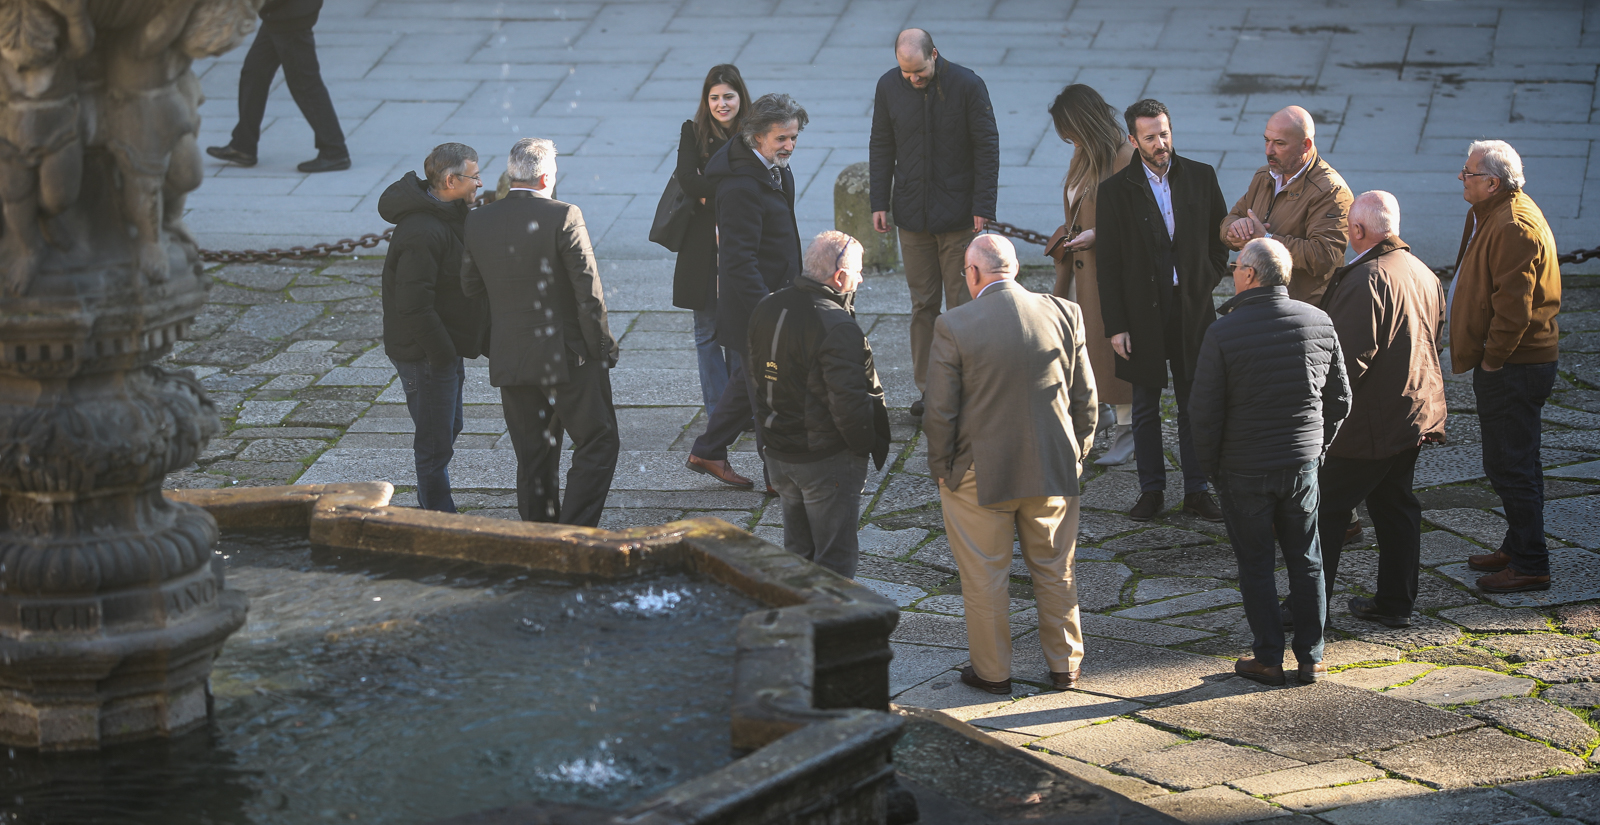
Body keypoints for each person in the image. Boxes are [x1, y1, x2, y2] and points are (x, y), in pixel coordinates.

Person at [925, 234, 1098, 695]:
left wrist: (942, 468)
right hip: (1052, 467)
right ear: (1015, 268)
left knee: (985, 577)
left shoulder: (954, 324)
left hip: (980, 473)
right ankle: (1066, 666)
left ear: (972, 273)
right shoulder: (1066, 312)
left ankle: (993, 672)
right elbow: (1085, 398)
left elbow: (939, 410)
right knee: (1056, 568)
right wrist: (1077, 454)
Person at [1190, 238, 1351, 687]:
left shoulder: (1222, 332)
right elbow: (1340, 400)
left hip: (1244, 469)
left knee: (1256, 564)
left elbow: (1204, 415)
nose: (1234, 273)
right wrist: (1317, 451)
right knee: (1308, 559)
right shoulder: (1319, 321)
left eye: (1238, 266)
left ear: (1250, 275)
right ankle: (1312, 658)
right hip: (1300, 465)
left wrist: (1213, 471)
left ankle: (1267, 658)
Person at [461, 138, 619, 527]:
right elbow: (589, 292)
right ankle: (574, 532)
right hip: (566, 355)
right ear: (546, 176)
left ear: (512, 174)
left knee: (533, 455)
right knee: (598, 442)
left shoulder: (479, 219)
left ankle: (537, 535)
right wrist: (601, 346)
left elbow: (470, 287)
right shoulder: (564, 215)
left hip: (512, 354)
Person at [1307, 191, 1446, 628]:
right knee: (1394, 504)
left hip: (1373, 423)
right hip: (1414, 414)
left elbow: (1346, 360)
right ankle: (1394, 602)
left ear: (1360, 231)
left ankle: (1311, 607)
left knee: (1325, 508)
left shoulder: (1367, 278)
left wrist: (1318, 412)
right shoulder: (1423, 272)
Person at [1095, 99, 1229, 523]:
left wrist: (1203, 282)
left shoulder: (1202, 177)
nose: (1160, 143)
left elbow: (1219, 238)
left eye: (1165, 133)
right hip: (1140, 316)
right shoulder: (1115, 191)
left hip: (1191, 310)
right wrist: (1116, 327)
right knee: (1145, 407)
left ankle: (1197, 490)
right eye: (1150, 137)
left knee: (1196, 403)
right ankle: (1151, 491)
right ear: (1133, 141)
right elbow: (1109, 265)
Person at [1449, 140, 1563, 594]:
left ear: (1492, 182)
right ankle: (1518, 545)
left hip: (1514, 367)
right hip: (1512, 365)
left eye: (1469, 172)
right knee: (1517, 459)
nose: (1463, 178)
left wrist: (1493, 361)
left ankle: (1531, 562)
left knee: (1509, 464)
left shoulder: (1512, 225)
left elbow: (1513, 311)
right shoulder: (1494, 210)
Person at [869, 28, 999, 418]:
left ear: (935, 54)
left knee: (961, 305)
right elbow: (881, 143)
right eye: (905, 72)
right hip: (912, 216)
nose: (912, 79)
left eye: (919, 72)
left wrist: (983, 205)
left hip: (959, 216)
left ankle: (965, 387)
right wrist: (879, 201)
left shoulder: (967, 85)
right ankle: (929, 389)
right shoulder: (888, 86)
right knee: (923, 304)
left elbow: (986, 144)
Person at [750, 231, 892, 578]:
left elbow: (754, 381)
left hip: (779, 454)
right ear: (839, 277)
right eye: (858, 272)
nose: (861, 278)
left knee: (798, 555)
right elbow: (849, 404)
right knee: (834, 564)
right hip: (824, 460)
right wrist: (861, 449)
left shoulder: (767, 307)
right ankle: (830, 630)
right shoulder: (836, 325)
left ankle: (798, 627)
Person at [685, 93, 808, 492]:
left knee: (748, 381)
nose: (789, 146)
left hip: (775, 297)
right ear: (757, 137)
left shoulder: (776, 170)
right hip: (755, 306)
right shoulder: (739, 186)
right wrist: (769, 310)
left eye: (793, 137)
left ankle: (708, 450)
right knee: (768, 391)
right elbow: (737, 261)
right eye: (781, 139)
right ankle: (777, 477)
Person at [377, 143, 489, 513]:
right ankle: (439, 515)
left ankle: (434, 508)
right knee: (434, 440)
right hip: (425, 352)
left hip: (442, 346)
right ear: (450, 180)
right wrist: (441, 354)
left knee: (448, 427)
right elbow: (412, 304)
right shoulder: (422, 232)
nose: (479, 182)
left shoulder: (451, 213)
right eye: (474, 176)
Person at [1046, 84, 1137, 466]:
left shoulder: (1125, 156)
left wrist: (1097, 235)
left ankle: (1128, 430)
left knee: (1116, 345)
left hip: (1111, 271)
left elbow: (1138, 220)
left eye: (1072, 134)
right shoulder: (1084, 155)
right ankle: (1099, 412)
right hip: (1080, 270)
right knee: (1083, 346)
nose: (1070, 143)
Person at [673, 64, 750, 415]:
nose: (722, 104)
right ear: (706, 100)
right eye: (715, 97)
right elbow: (687, 178)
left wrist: (713, 193)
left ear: (740, 97)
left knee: (738, 330)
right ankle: (718, 410)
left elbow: (758, 179)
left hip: (742, 241)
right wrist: (730, 192)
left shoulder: (753, 131)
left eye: (728, 97)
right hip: (701, 247)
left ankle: (740, 407)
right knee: (706, 331)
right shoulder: (693, 131)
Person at [1219, 106, 1351, 305]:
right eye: (1266, 140)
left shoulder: (1330, 191)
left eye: (1279, 144)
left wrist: (1265, 239)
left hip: (1299, 308)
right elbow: (1230, 221)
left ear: (1306, 145)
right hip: (1257, 301)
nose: (1268, 151)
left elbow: (1323, 257)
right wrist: (1234, 229)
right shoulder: (1264, 176)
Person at [204, 0, 349, 173]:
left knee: (305, 84)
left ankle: (335, 152)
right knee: (254, 72)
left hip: (289, 16)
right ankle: (243, 145)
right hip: (279, 13)